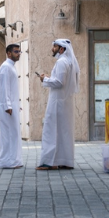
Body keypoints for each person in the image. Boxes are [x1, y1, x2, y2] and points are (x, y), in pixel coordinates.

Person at [36, 38, 80, 170]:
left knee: (51, 131)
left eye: (54, 47)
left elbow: (60, 83)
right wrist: (50, 78)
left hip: (57, 103)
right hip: (64, 102)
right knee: (63, 132)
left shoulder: (62, 62)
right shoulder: (68, 62)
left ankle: (48, 162)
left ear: (62, 49)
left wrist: (45, 79)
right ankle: (64, 161)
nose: (52, 49)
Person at [0, 44, 23, 169]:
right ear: (8, 53)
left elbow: (12, 90)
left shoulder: (11, 67)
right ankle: (7, 161)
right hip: (7, 108)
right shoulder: (6, 67)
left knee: (14, 134)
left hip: (12, 106)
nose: (18, 53)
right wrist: (8, 105)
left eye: (19, 51)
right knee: (8, 134)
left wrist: (17, 105)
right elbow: (4, 88)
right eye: (16, 51)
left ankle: (14, 160)